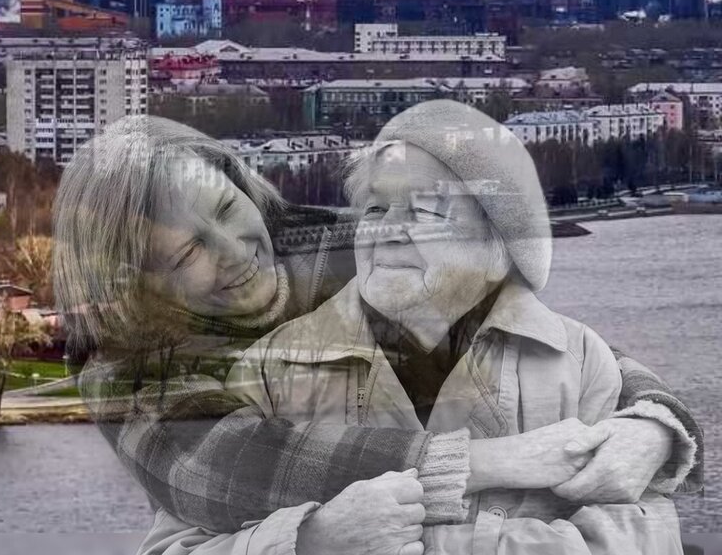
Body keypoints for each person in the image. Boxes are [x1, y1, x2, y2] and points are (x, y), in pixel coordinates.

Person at [52, 115, 701, 551]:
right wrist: (490, 462)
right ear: (137, 288)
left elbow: (546, 339)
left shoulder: (343, 241)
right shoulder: (126, 368)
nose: (233, 249)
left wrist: (653, 424)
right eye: (187, 252)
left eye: (227, 208)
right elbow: (231, 472)